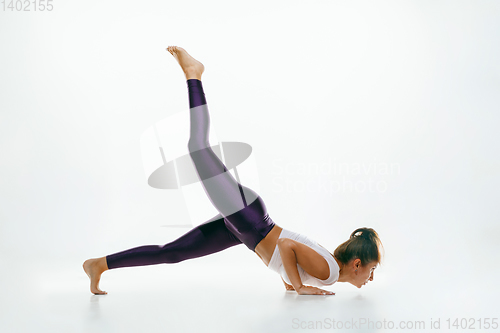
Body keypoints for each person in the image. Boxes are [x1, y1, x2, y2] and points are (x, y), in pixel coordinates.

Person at [83, 46, 384, 296]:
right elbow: (285, 244)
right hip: (250, 221)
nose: (370, 279)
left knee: (172, 253)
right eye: (370, 271)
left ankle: (98, 265)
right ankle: (194, 74)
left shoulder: (327, 267)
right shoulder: (329, 272)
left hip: (244, 229)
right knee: (197, 147)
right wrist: (298, 287)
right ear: (356, 264)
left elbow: (284, 257)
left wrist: (292, 282)